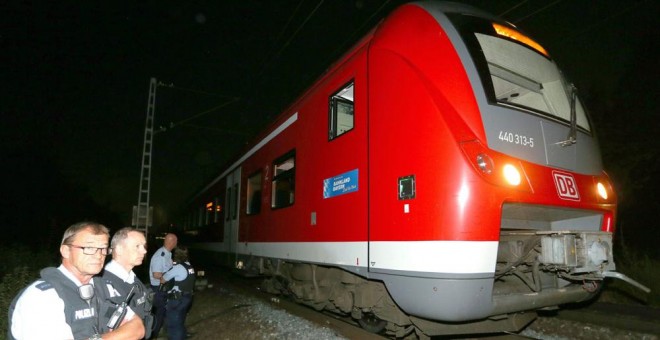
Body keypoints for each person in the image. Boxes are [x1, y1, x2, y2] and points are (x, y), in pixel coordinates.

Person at [9, 221, 144, 339]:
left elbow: (137, 327)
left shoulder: (103, 287)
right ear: (66, 251)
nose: (98, 255)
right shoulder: (42, 297)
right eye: (89, 248)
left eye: (102, 249)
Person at [100, 227, 154, 338]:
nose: (144, 251)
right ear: (119, 250)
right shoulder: (102, 283)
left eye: (144, 246)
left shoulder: (134, 279)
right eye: (137, 246)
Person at [161, 246, 196, 340]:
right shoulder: (189, 266)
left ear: (176, 255)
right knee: (180, 320)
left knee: (173, 324)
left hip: (177, 299)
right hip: (187, 297)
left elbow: (163, 279)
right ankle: (183, 336)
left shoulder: (178, 268)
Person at [148, 233, 177, 338]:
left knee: (164, 312)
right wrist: (168, 278)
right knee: (159, 314)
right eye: (175, 241)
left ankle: (163, 332)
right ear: (171, 242)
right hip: (159, 289)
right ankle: (154, 335)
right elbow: (156, 274)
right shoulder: (160, 256)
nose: (176, 243)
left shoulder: (168, 253)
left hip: (165, 288)